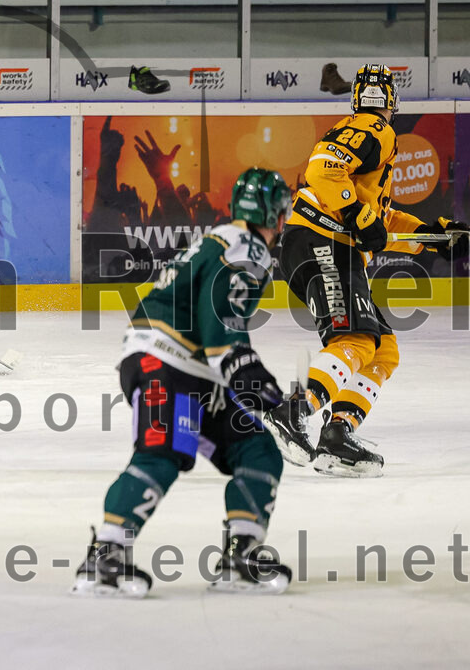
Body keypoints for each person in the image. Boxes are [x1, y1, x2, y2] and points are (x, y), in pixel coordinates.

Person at [73, 168, 294, 597]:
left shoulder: (225, 238)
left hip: (183, 365)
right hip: (167, 362)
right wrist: (263, 389)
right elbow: (222, 332)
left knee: (257, 449)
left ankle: (241, 554)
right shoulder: (246, 247)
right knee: (163, 451)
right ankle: (106, 558)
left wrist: (254, 386)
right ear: (274, 214)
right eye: (282, 212)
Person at [263, 64, 469, 477]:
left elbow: (382, 221)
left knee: (383, 348)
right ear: (392, 102)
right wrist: (358, 215)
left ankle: (337, 436)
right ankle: (290, 412)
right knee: (355, 338)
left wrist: (433, 235)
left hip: (327, 246)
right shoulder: (376, 129)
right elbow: (324, 170)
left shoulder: (373, 145)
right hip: (324, 243)